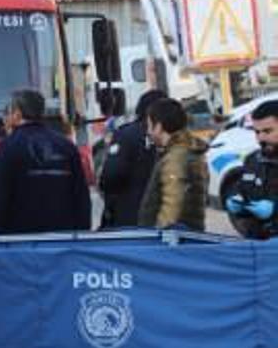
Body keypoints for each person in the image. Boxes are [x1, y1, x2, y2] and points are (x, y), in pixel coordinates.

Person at [0, 89, 91, 235]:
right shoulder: (66, 146)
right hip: (62, 240)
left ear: (17, 113)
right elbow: (81, 197)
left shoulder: (5, 148)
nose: (5, 118)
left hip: (20, 241)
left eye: (8, 112)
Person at [138, 98, 208, 230]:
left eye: (149, 125)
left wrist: (158, 238)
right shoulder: (188, 151)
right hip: (187, 237)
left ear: (158, 127)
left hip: (175, 241)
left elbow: (171, 210)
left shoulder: (176, 157)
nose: (148, 131)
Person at [99, 90, 165, 228]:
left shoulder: (126, 135)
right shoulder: (175, 137)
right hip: (171, 222)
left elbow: (111, 175)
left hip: (131, 216)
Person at [224, 100, 278, 239]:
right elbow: (242, 189)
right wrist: (236, 201)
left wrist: (275, 208)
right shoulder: (253, 160)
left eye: (268, 131)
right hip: (258, 244)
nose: (260, 138)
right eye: (257, 132)